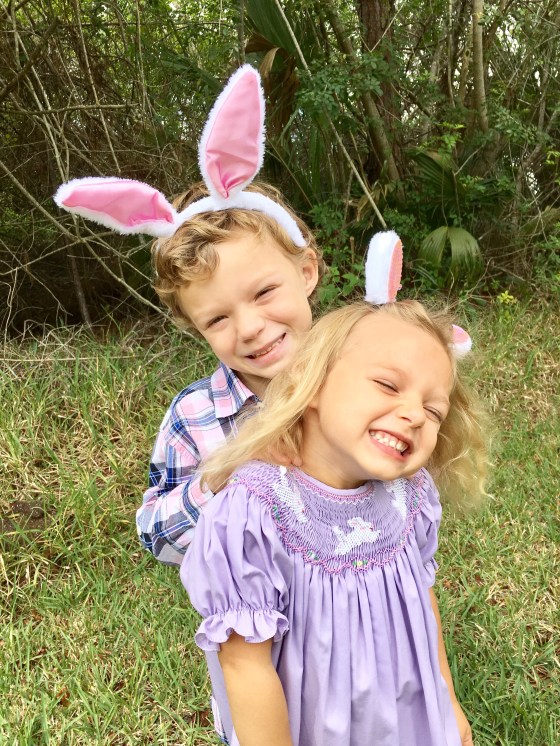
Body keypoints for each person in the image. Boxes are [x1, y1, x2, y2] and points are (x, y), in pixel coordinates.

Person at [181, 299, 489, 746]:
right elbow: (245, 665)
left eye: (434, 410)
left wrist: (447, 705)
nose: (415, 415)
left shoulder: (410, 497)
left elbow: (421, 604)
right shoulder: (254, 513)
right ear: (313, 384)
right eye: (388, 385)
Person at [53, 65, 325, 565]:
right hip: (255, 606)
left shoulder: (355, 371)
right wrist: (227, 472)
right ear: (194, 327)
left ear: (306, 271)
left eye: (264, 292)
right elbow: (156, 537)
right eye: (217, 320)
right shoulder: (194, 418)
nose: (250, 328)